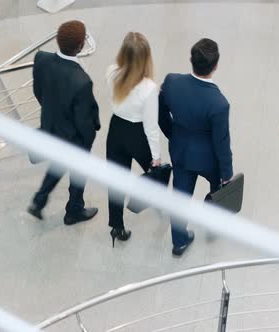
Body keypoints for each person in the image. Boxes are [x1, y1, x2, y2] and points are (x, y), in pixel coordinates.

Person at [158, 38, 233, 256]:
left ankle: (179, 241)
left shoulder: (172, 82)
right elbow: (222, 142)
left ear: (191, 60)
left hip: (180, 151)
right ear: (216, 65)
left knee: (180, 197)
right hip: (210, 159)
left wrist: (172, 134)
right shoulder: (219, 103)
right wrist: (226, 174)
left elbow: (160, 112)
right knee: (216, 191)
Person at [27, 20, 101, 225]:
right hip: (73, 136)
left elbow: (38, 91)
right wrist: (89, 138)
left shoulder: (41, 59)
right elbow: (84, 121)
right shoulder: (82, 81)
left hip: (51, 126)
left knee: (59, 163)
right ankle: (74, 210)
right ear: (80, 46)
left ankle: (39, 200)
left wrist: (51, 112)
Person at [105, 32, 161, 247]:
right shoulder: (149, 88)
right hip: (137, 134)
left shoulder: (111, 72)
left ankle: (116, 225)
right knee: (156, 173)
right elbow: (151, 127)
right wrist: (156, 156)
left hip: (116, 129)